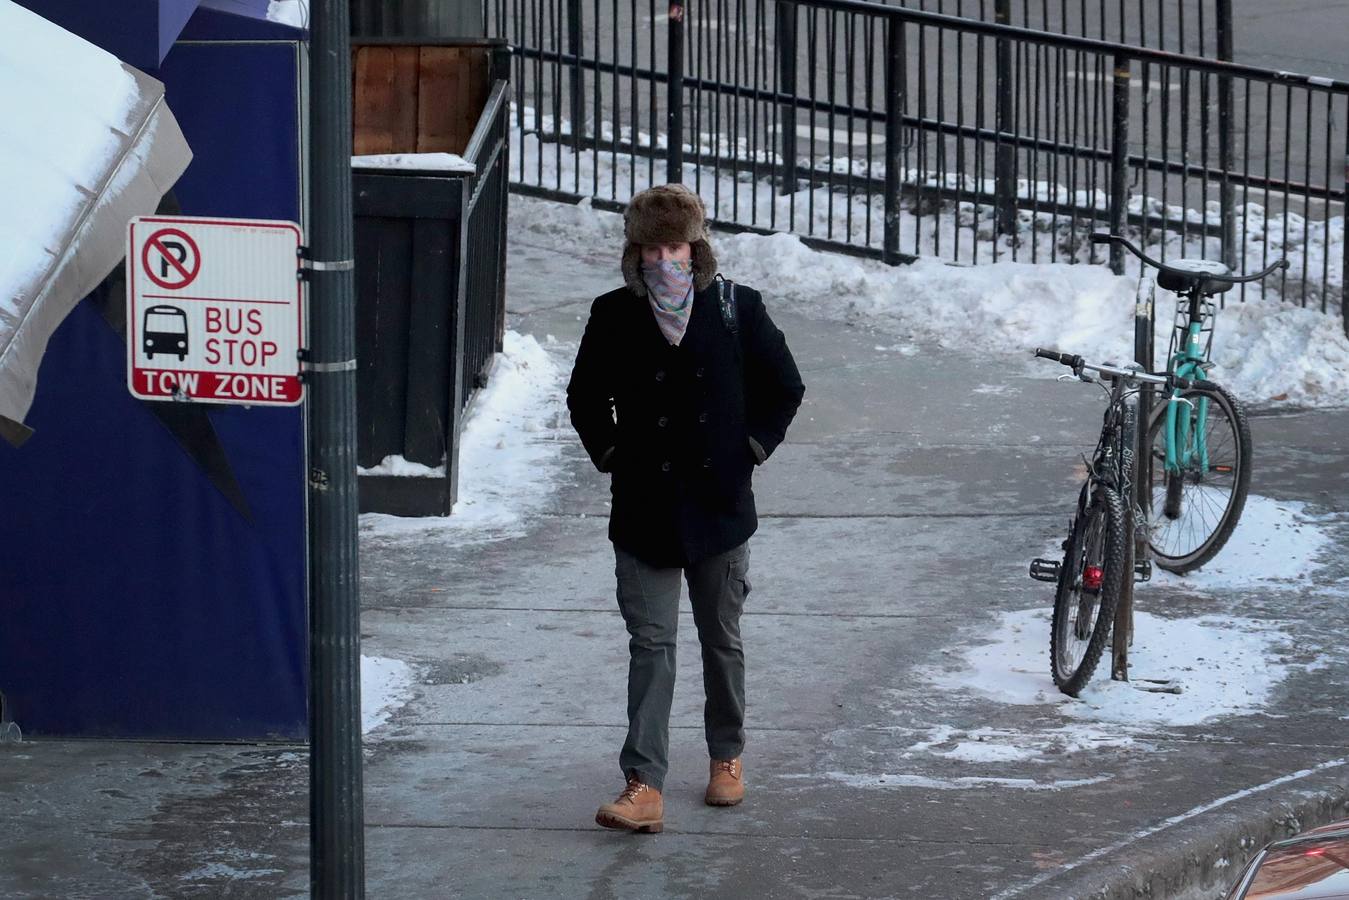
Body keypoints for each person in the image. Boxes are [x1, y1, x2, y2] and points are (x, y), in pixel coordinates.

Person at [566, 183, 805, 834]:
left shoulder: (736, 309)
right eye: (651, 247)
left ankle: (726, 757)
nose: (663, 259)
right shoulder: (613, 314)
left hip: (718, 505)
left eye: (675, 245)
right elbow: (585, 398)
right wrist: (613, 454)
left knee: (720, 640)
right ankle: (643, 783)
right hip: (643, 506)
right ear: (635, 252)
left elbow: (784, 386)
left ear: (695, 247)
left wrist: (750, 448)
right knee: (651, 645)